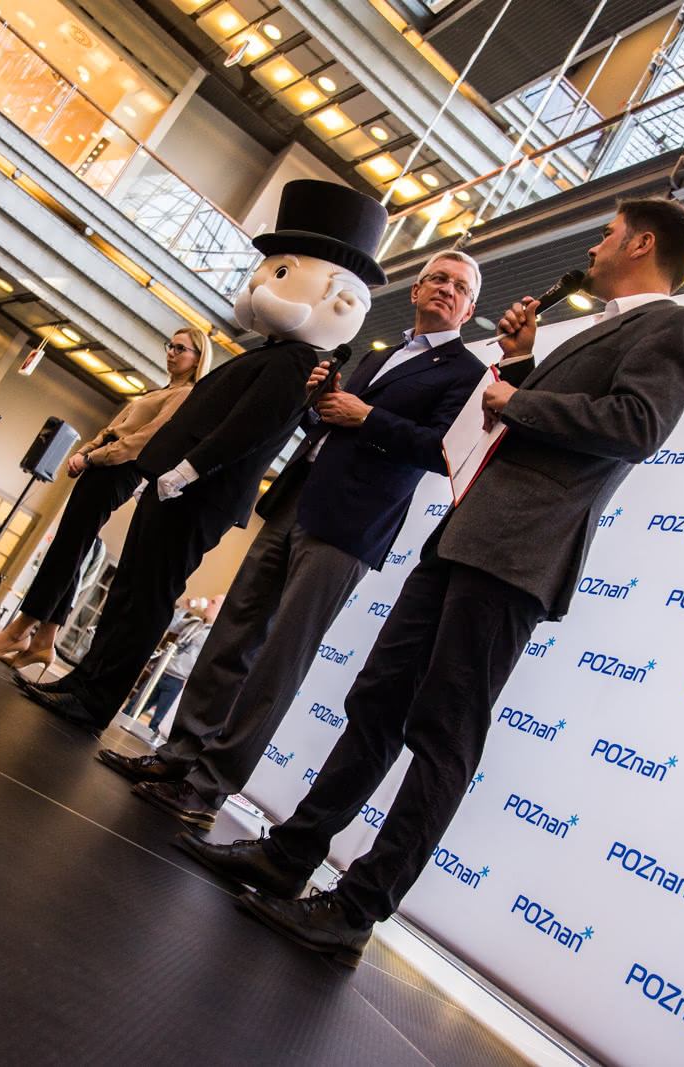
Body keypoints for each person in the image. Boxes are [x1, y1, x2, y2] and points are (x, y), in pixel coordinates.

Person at [176, 198, 684, 967]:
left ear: (643, 242)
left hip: (518, 554)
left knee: (443, 734)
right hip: (463, 537)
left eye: (607, 233)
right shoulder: (598, 328)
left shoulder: (675, 326)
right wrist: (521, 363)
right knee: (377, 701)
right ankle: (289, 855)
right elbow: (534, 427)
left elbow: (636, 426)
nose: (595, 245)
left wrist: (518, 395)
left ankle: (356, 909)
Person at [99, 251, 489, 831]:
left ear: (470, 308)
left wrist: (365, 416)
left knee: (278, 661)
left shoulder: (466, 373)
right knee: (233, 635)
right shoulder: (377, 355)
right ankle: (180, 756)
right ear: (416, 290)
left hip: (350, 525)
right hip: (296, 500)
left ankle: (209, 788)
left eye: (459, 286)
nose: (446, 289)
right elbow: (331, 427)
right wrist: (317, 404)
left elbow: (443, 451)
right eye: (437, 278)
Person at [22, 179, 388, 735]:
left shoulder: (297, 362)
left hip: (200, 492)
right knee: (129, 590)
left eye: (282, 273)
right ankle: (84, 682)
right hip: (178, 485)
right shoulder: (276, 353)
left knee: (148, 596)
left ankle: (95, 701)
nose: (261, 284)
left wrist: (190, 469)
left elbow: (249, 428)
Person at [0, 327, 209, 672]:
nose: (171, 352)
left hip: (117, 471)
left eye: (181, 348)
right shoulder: (163, 390)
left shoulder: (185, 395)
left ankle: (19, 631)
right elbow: (112, 429)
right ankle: (43, 641)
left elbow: (140, 442)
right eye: (170, 345)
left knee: (66, 550)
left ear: (198, 359)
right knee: (71, 549)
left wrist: (94, 458)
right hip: (102, 466)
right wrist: (86, 452)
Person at [138, 596, 219, 736]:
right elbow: (169, 625)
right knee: (135, 705)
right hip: (162, 671)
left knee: (158, 723)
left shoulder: (216, 636)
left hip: (179, 681)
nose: (208, 603)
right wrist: (184, 608)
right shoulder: (194, 622)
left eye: (213, 602)